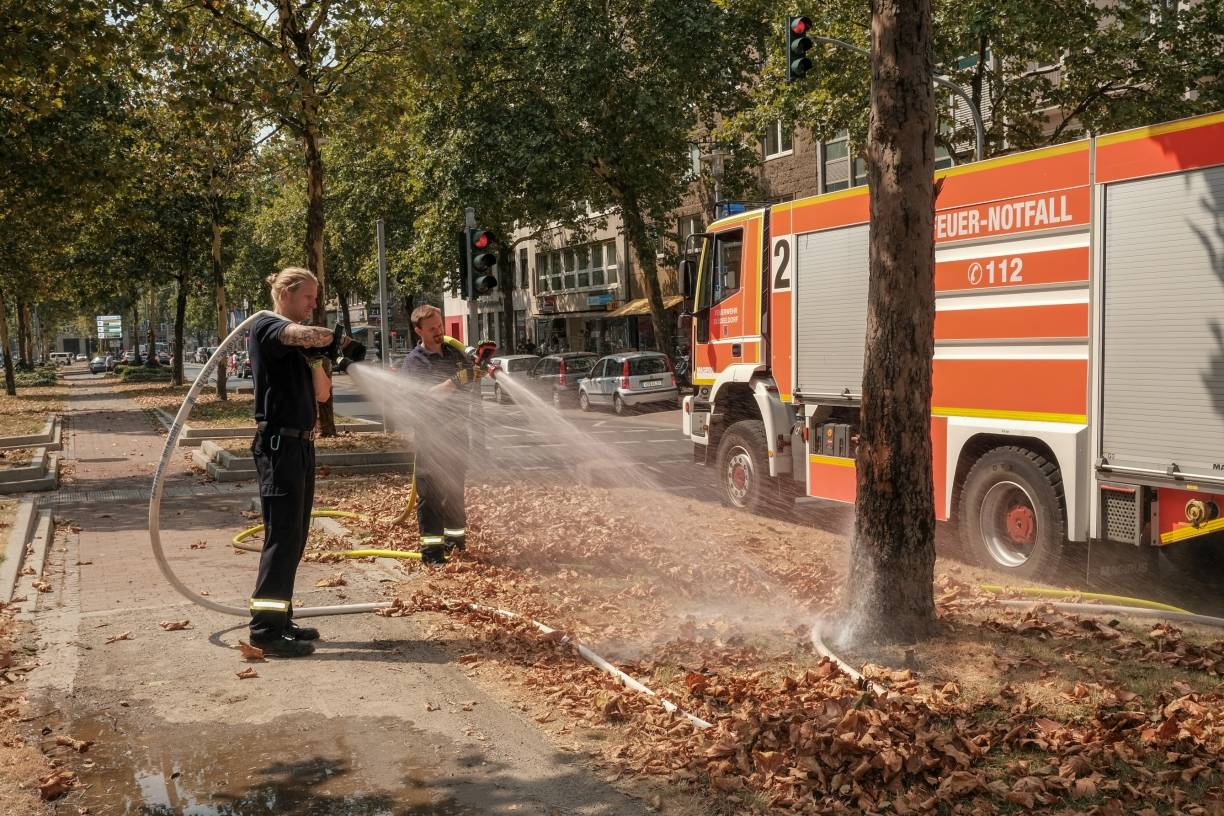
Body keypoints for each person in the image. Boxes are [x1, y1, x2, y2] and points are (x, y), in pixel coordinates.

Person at [246, 267, 337, 657]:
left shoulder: (297, 345)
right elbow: (307, 334)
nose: (314, 304)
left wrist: (317, 360)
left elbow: (322, 395)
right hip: (279, 444)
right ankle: (265, 631)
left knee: (296, 535)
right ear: (285, 293)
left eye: (315, 299)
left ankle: (281, 619)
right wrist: (334, 341)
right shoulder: (268, 326)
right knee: (282, 535)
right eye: (308, 298)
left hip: (300, 445)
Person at [400, 304, 481, 565]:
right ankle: (432, 553)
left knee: (455, 491)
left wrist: (480, 364)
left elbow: (473, 374)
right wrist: (456, 381)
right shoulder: (415, 362)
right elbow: (422, 397)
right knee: (432, 495)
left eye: (440, 325)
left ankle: (455, 543)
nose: (439, 331)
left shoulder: (453, 353)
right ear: (418, 331)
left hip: (457, 436)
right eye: (432, 328)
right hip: (431, 439)